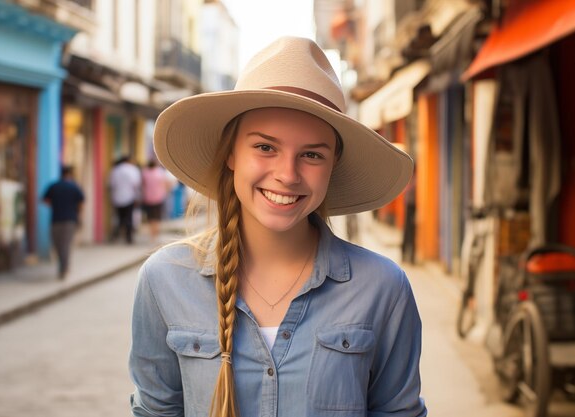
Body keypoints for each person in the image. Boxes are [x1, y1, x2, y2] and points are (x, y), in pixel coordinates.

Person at [129, 37, 427, 417]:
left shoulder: (383, 288)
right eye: (265, 147)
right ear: (231, 153)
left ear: (332, 166)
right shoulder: (164, 280)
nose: (287, 175)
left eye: (312, 154)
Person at [42, 165, 84, 279]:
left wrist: (55, 205)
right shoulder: (74, 187)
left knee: (58, 245)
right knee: (65, 245)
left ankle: (63, 268)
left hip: (56, 220)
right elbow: (81, 201)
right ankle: (64, 267)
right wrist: (78, 213)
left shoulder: (54, 186)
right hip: (69, 220)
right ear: (69, 174)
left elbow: (44, 199)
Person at [109, 155, 141, 244]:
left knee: (119, 218)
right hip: (129, 197)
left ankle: (115, 237)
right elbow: (136, 184)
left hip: (117, 197)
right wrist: (137, 197)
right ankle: (128, 238)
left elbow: (112, 184)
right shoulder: (133, 169)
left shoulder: (115, 170)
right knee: (129, 218)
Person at [141, 159, 170, 241]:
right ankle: (156, 233)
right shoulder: (160, 172)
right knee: (157, 216)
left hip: (148, 198)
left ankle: (152, 234)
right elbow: (166, 183)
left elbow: (142, 184)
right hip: (159, 197)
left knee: (150, 216)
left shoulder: (145, 173)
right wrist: (165, 192)